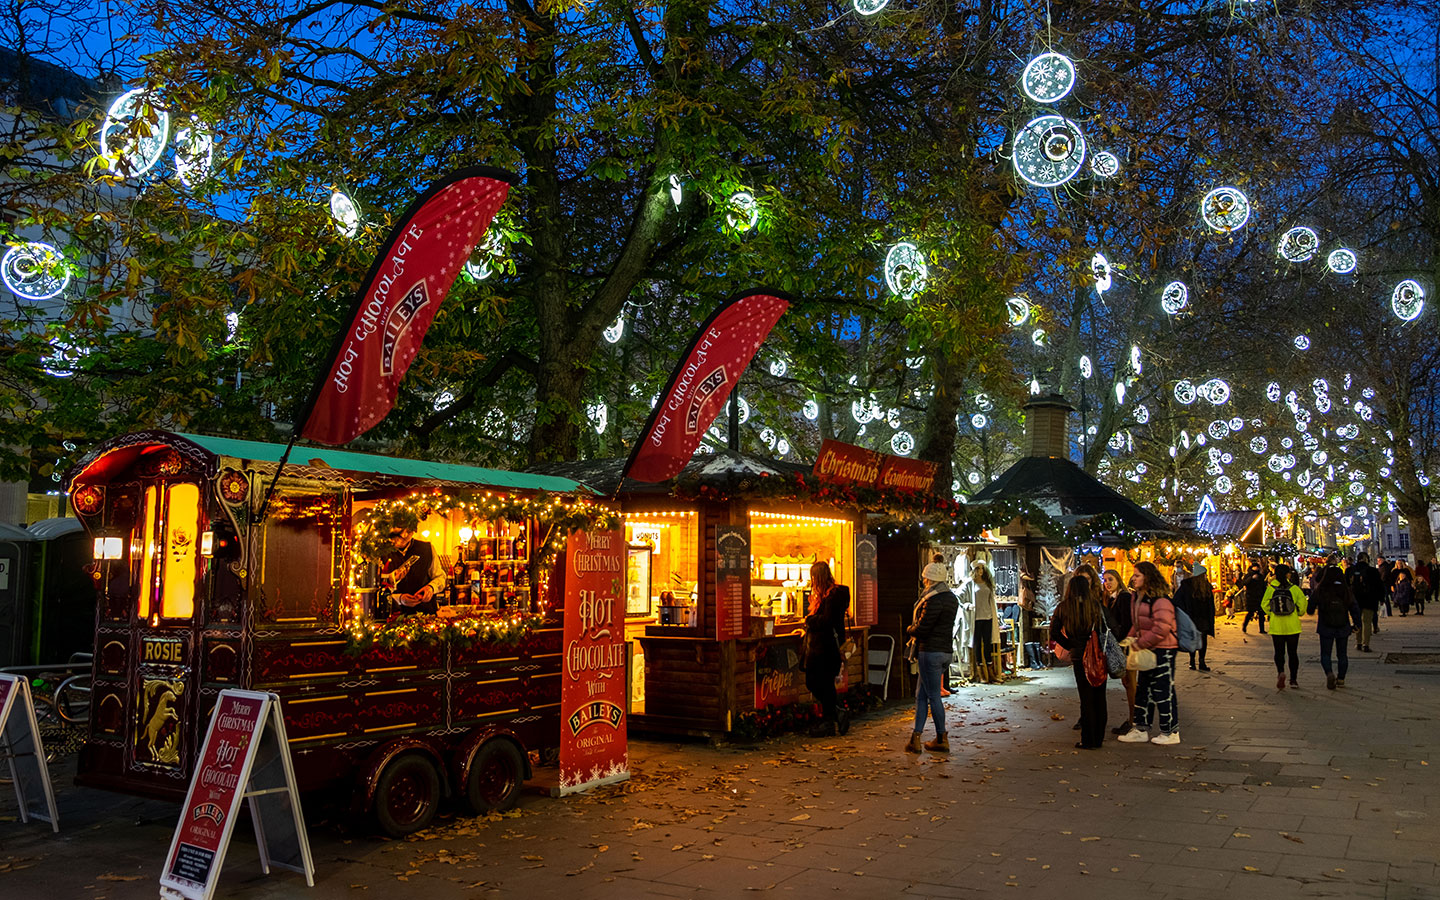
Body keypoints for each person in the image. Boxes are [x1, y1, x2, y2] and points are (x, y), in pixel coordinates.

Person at [1118, 561, 1180, 746]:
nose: (1133, 578)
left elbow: (1162, 629)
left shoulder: (1160, 600)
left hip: (1163, 650)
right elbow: (1137, 624)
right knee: (1143, 689)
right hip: (1147, 649)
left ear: (1147, 577)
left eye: (1137, 575)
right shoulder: (1137, 597)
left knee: (1163, 690)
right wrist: (1129, 639)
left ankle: (1170, 731)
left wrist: (1139, 643)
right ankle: (1140, 728)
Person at [904, 562, 960, 753]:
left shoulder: (932, 599)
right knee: (921, 695)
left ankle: (941, 737)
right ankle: (916, 738)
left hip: (930, 651)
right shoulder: (952, 599)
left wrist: (909, 629)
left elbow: (922, 628)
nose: (924, 581)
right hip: (945, 651)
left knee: (933, 696)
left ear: (930, 579)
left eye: (925, 578)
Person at [1053, 572, 1107, 749]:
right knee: (1099, 696)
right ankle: (1098, 738)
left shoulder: (1064, 607)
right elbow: (1111, 627)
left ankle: (1088, 739)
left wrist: (1070, 645)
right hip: (1097, 655)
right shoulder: (1095, 606)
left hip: (1078, 655)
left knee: (1086, 697)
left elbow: (1054, 632)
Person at [803, 561, 851, 737]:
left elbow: (826, 620)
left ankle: (831, 718)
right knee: (823, 683)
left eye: (814, 578)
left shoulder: (831, 597)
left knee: (816, 682)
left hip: (825, 647)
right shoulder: (832, 595)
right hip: (828, 647)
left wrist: (809, 620)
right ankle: (834, 715)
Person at [381, 519, 445, 615]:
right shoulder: (380, 552)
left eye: (408, 533)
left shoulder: (427, 549)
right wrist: (399, 598)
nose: (404, 536)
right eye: (398, 535)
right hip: (392, 616)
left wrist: (431, 588)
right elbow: (376, 590)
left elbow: (440, 577)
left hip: (425, 615)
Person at [1261, 563, 1310, 689]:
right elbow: (1303, 605)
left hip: (1277, 626)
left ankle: (1280, 672)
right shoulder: (1294, 589)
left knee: (1279, 652)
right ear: (1288, 574)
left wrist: (1271, 613)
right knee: (1293, 653)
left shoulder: (1271, 589)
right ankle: (1293, 679)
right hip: (1292, 626)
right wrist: (1298, 613)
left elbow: (1264, 605)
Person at [1102, 569, 1138, 736]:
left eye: (1110, 579)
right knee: (1127, 683)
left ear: (1118, 580)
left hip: (1128, 646)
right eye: (1105, 580)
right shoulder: (1112, 599)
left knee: (1130, 683)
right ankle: (1133, 719)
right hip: (1124, 646)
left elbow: (1127, 622)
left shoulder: (1123, 597)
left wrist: (1122, 644)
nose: (1107, 583)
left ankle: (1134, 720)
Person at [1312, 564, 1358, 690]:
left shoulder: (1321, 589)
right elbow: (1354, 607)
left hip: (1325, 625)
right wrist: (1356, 623)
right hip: (1342, 625)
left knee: (1325, 654)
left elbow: (1310, 607)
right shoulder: (1345, 590)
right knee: (1342, 654)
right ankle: (1341, 678)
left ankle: (1329, 673)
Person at [1174, 561, 1215, 671]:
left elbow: (1177, 600)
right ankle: (1201, 661)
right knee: (1202, 640)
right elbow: (1211, 605)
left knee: (1193, 639)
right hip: (1203, 618)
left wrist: (1184, 611)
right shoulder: (1204, 587)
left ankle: (1192, 661)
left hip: (1192, 617)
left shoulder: (1188, 585)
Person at [971, 561, 999, 683]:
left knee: (987, 643)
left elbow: (991, 599)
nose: (981, 571)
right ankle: (981, 673)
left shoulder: (987, 583)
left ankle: (990, 672)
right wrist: (967, 605)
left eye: (982, 568)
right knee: (978, 644)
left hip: (988, 616)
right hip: (976, 617)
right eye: (979, 569)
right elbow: (959, 596)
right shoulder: (970, 583)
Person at [1348, 553, 1382, 652]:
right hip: (1369, 600)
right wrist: (1382, 598)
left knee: (1357, 621)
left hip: (1355, 600)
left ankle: (1358, 642)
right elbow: (1379, 586)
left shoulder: (1351, 570)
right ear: (1366, 559)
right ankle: (1365, 644)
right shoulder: (1373, 571)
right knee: (1367, 622)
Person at [1241, 562, 1268, 635]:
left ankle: (1262, 629)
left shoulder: (1260, 576)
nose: (1256, 568)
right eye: (1255, 567)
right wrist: (1251, 578)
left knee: (1261, 613)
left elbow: (1263, 586)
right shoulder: (1248, 575)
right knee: (1250, 613)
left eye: (1257, 567)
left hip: (1259, 596)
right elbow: (1244, 583)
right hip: (1251, 597)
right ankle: (1244, 625)